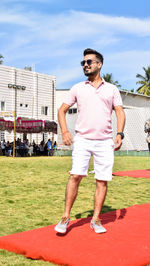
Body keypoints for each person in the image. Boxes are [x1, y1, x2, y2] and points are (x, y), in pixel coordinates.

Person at [55, 48, 125, 234]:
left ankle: (95, 219)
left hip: (104, 142)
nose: (85, 65)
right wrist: (65, 131)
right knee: (75, 176)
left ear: (99, 64)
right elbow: (61, 110)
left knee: (102, 180)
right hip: (83, 140)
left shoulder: (111, 89)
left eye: (89, 62)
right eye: (83, 63)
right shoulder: (78, 88)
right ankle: (65, 217)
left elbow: (119, 111)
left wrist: (119, 134)